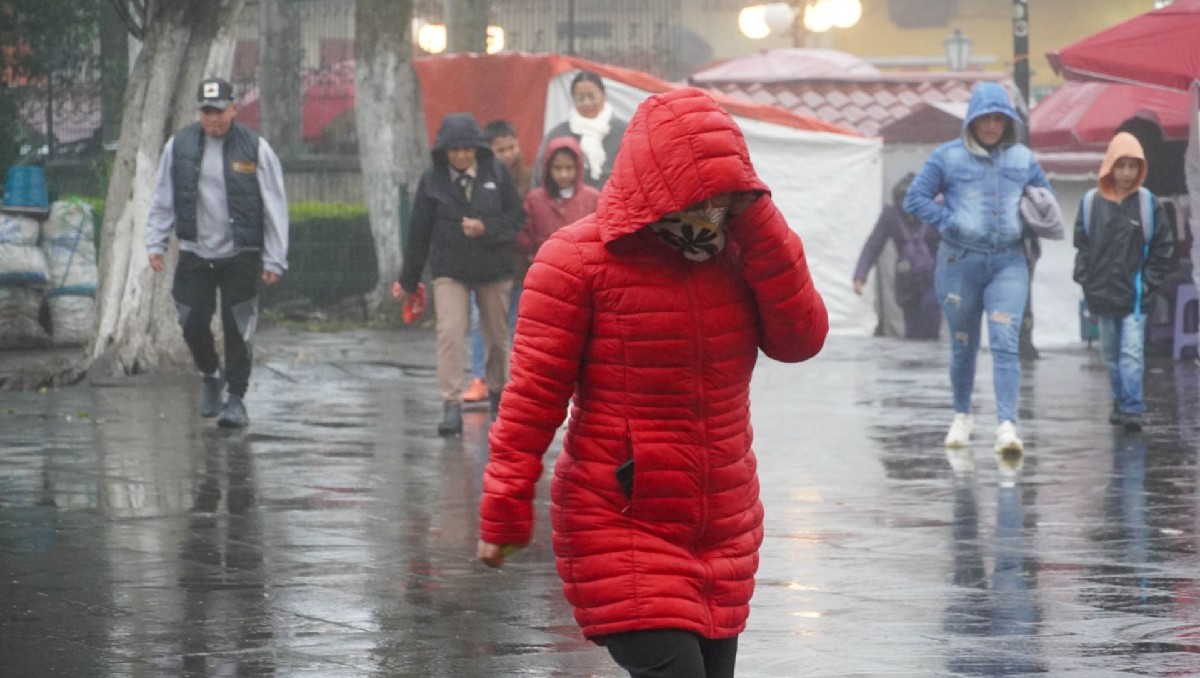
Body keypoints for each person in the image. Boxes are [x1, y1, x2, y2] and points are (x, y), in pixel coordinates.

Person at [476, 88, 828, 678]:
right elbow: (533, 398)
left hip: (723, 525)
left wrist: (759, 218)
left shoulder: (738, 251)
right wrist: (505, 507)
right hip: (622, 521)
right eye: (702, 189)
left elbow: (801, 339)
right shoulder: (577, 261)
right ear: (656, 178)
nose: (712, 207)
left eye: (727, 192)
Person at [904, 81, 1051, 454]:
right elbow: (915, 197)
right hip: (959, 262)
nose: (991, 126)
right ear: (972, 119)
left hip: (1009, 261)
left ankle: (1006, 426)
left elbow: (1044, 199)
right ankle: (962, 415)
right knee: (962, 345)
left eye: (998, 119)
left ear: (1008, 121)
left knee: (1005, 342)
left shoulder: (1023, 159)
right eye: (985, 118)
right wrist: (947, 220)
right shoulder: (947, 157)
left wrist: (1038, 219)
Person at [145, 77, 289, 428]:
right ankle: (210, 374)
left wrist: (275, 257)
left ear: (234, 109)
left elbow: (275, 204)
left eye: (220, 111)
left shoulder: (255, 148)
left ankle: (236, 399)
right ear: (199, 113)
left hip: (241, 254)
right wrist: (156, 241)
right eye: (207, 112)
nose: (213, 119)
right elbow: (164, 197)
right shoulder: (178, 146)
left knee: (238, 328)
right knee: (191, 320)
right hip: (196, 251)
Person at [391, 112, 523, 437]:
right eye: (454, 150)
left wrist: (487, 228)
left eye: (467, 148)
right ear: (443, 152)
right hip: (450, 269)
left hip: (493, 269)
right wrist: (408, 282)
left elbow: (518, 218)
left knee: (496, 335)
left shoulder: (497, 173)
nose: (461, 155)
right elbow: (418, 233)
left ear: (477, 148)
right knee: (450, 331)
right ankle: (451, 405)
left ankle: (498, 396)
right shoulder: (432, 181)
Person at [1073, 132, 1172, 433]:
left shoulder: (1147, 205)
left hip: (1135, 297)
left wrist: (1147, 283)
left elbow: (1162, 247)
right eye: (1121, 165)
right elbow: (1083, 246)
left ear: (1140, 168)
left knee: (1131, 353)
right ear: (1110, 166)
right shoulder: (1091, 203)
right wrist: (1086, 282)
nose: (1127, 173)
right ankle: (1120, 399)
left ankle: (1132, 408)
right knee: (1110, 355)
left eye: (1133, 166)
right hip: (1102, 295)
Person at [464, 119, 533, 404]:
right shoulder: (478, 178)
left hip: (522, 265)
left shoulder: (530, 177)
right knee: (481, 322)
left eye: (512, 146)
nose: (509, 153)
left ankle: (513, 378)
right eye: (501, 149)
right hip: (485, 263)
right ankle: (481, 377)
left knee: (516, 324)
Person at [852, 173, 941, 340]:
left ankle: (930, 360)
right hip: (907, 278)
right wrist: (860, 276)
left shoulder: (935, 212)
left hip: (934, 276)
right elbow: (873, 245)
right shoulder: (891, 215)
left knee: (931, 316)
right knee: (912, 326)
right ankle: (912, 360)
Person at [518, 135, 601, 269]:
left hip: (583, 268)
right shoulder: (535, 200)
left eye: (569, 168)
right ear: (547, 168)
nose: (564, 174)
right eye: (557, 168)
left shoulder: (592, 198)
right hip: (546, 267)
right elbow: (525, 235)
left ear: (578, 168)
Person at [536, 70, 628, 190]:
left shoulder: (624, 131)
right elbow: (540, 175)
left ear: (603, 95)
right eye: (580, 98)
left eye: (591, 96)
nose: (586, 103)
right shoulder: (559, 134)